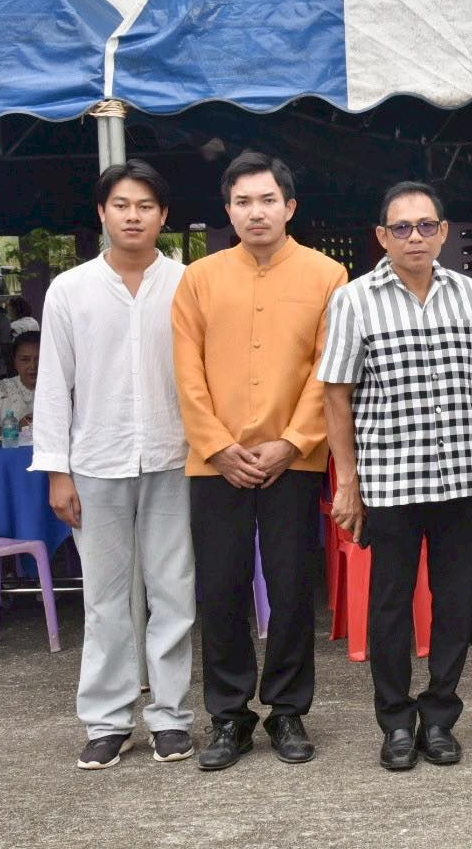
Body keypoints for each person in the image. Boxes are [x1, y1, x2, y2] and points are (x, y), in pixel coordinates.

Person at [171, 151, 348, 771]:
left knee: (293, 586)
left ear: (289, 206)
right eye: (242, 202)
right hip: (214, 463)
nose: (256, 212)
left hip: (291, 461)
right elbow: (185, 370)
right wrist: (216, 446)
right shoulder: (199, 278)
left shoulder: (328, 276)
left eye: (267, 200)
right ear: (229, 211)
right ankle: (228, 715)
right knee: (219, 589)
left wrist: (293, 441)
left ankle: (289, 711)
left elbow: (329, 370)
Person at [31, 161, 195, 770]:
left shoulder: (187, 284)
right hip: (94, 460)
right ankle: (107, 719)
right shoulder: (70, 290)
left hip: (173, 455)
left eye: (146, 205)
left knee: (173, 591)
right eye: (121, 205)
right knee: (104, 597)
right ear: (102, 213)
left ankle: (172, 716)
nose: (133, 215)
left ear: (163, 216)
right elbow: (54, 385)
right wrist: (57, 468)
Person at [322, 181, 472, 772]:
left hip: (463, 477)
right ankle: (394, 721)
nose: (414, 237)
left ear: (443, 232)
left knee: (456, 603)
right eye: (401, 228)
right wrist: (347, 481)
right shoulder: (355, 300)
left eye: (425, 226)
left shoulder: (470, 294)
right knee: (389, 607)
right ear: (382, 237)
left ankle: (440, 715)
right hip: (390, 480)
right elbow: (336, 397)